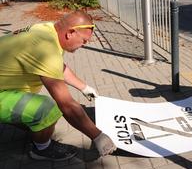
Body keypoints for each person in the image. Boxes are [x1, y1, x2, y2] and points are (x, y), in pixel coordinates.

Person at [0, 10, 116, 161]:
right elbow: (67, 105)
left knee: (40, 115)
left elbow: (58, 66)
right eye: (84, 40)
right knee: (48, 110)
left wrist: (83, 87)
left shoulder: (47, 30)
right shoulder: (46, 48)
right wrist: (98, 136)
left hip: (6, 87)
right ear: (70, 33)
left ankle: (33, 127)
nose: (85, 44)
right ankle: (41, 149)